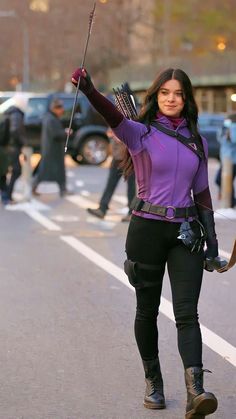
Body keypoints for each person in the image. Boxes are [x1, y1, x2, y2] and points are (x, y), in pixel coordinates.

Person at [71, 67, 227, 418]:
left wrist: (213, 245)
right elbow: (112, 113)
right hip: (146, 230)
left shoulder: (197, 142)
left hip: (186, 233)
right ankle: (153, 382)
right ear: (156, 97)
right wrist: (90, 90)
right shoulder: (139, 133)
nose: (172, 99)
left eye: (178, 94)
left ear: (186, 99)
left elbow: (202, 193)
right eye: (165, 93)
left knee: (188, 314)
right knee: (147, 310)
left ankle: (196, 392)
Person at [87, 129, 136, 222]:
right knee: (111, 184)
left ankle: (131, 212)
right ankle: (102, 208)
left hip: (128, 158)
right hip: (117, 157)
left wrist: (119, 136)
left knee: (131, 186)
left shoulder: (128, 118)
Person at [32, 99, 70, 197]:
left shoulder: (49, 117)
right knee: (46, 171)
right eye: (61, 108)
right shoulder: (51, 119)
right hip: (53, 150)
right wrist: (65, 132)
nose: (62, 111)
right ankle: (62, 189)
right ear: (55, 109)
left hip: (50, 149)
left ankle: (63, 189)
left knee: (50, 171)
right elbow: (56, 134)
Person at [1, 94, 27, 204]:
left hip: (6, 147)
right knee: (16, 170)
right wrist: (23, 143)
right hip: (11, 148)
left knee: (3, 172)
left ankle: (6, 195)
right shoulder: (16, 114)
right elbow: (15, 130)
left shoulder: (9, 113)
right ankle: (7, 195)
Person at [215, 115, 236, 207]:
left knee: (221, 179)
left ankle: (230, 201)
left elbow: (234, 140)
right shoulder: (225, 129)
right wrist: (222, 129)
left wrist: (231, 128)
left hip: (232, 160)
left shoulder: (234, 127)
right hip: (225, 160)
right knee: (221, 180)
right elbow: (219, 140)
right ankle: (231, 200)